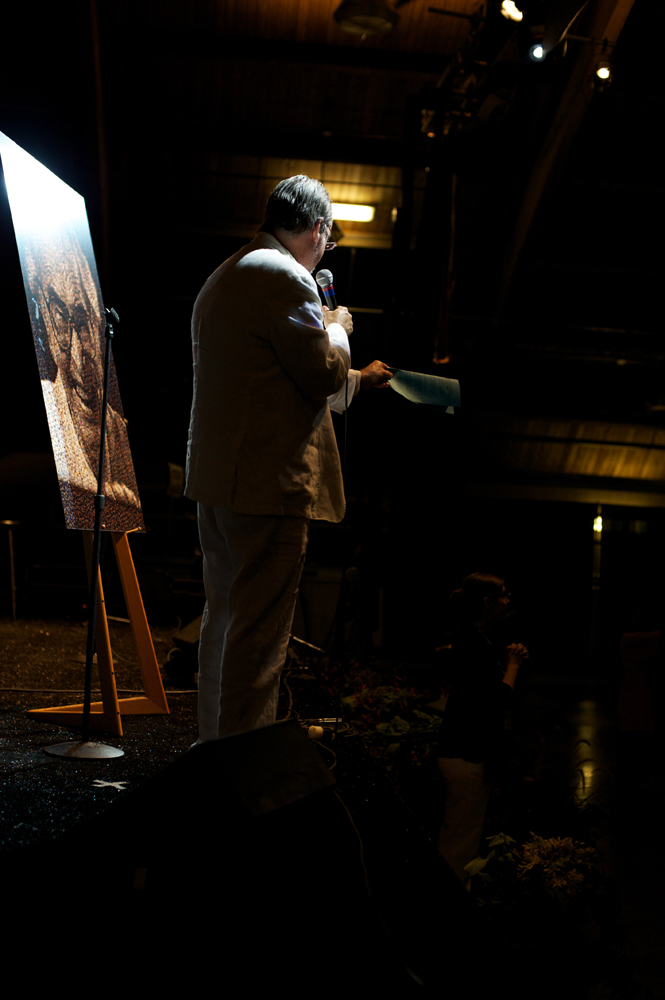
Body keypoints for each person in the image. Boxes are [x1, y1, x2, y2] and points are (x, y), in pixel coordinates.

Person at [185, 174, 393, 741]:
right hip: (268, 487)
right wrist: (339, 330)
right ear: (319, 229)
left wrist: (356, 380)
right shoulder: (289, 277)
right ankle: (243, 771)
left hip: (220, 482)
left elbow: (269, 376)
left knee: (223, 622)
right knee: (260, 639)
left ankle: (212, 746)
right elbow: (320, 369)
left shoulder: (227, 273)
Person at [435, 572, 528, 886]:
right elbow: (495, 699)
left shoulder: (470, 638)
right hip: (467, 754)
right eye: (503, 594)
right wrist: (513, 665)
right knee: (459, 843)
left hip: (461, 751)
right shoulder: (474, 642)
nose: (508, 599)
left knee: (459, 837)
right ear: (487, 603)